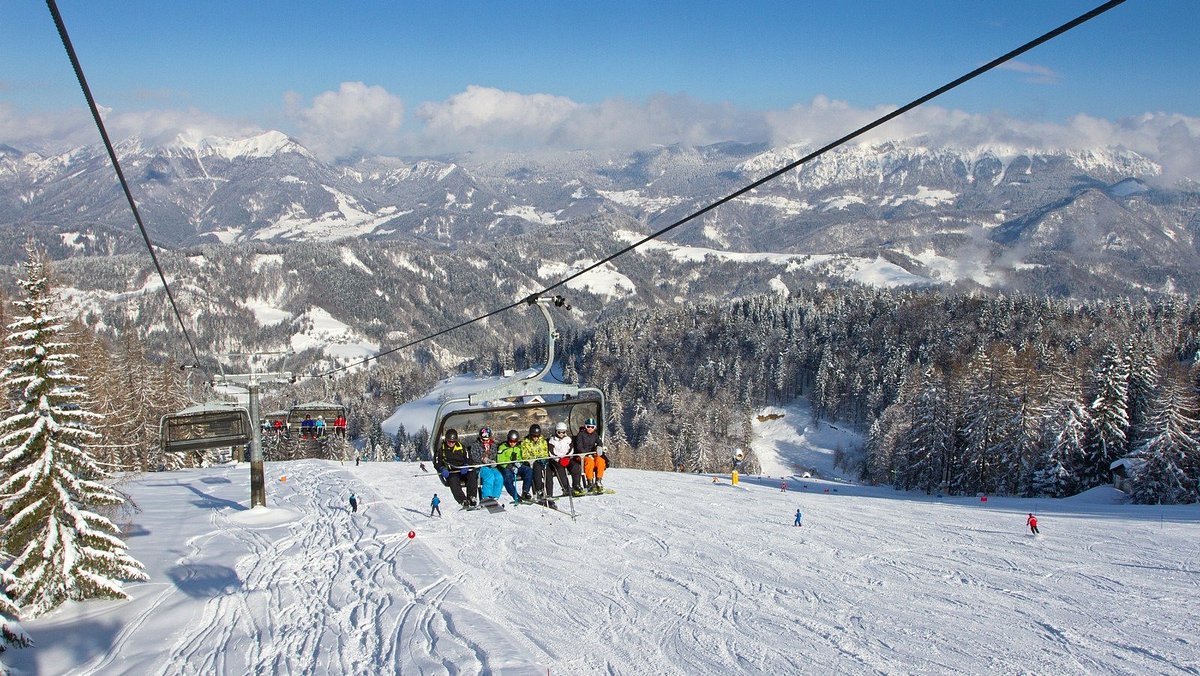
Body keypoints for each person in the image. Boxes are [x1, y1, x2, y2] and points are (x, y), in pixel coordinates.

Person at [434, 429, 478, 509]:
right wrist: (442, 468)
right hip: (452, 471)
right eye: (449, 441)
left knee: (472, 473)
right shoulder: (442, 450)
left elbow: (469, 458)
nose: (451, 443)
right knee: (453, 480)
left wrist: (466, 465)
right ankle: (463, 500)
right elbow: (437, 463)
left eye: (453, 441)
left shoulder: (461, 447)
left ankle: (472, 497)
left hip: (462, 469)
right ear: (446, 440)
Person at [496, 429, 527, 505]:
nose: (512, 443)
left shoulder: (519, 447)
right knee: (508, 478)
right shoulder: (502, 447)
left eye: (514, 442)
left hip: (516, 466)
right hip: (506, 467)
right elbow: (500, 460)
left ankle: (525, 492)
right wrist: (509, 466)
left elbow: (521, 457)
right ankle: (515, 495)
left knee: (528, 470)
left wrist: (518, 463)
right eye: (510, 441)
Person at [520, 423, 549, 501]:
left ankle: (549, 493)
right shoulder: (525, 442)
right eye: (534, 436)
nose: (536, 438)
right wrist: (535, 459)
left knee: (548, 471)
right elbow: (524, 455)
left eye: (537, 436)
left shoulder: (542, 441)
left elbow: (545, 452)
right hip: (531, 463)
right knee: (536, 469)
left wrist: (543, 459)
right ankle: (539, 490)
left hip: (541, 461)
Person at [546, 422, 575, 497]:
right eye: (559, 432)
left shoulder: (568, 439)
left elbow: (571, 449)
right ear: (556, 431)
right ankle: (566, 488)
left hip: (566, 458)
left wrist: (567, 457)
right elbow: (551, 452)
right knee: (560, 468)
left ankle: (576, 485)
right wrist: (558, 459)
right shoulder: (552, 440)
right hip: (557, 460)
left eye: (563, 432)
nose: (561, 434)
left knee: (576, 467)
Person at [573, 418, 601, 495]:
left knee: (600, 461)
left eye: (592, 427)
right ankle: (590, 482)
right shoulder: (580, 435)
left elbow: (599, 442)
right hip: (581, 456)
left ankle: (598, 481)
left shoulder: (595, 434)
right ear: (585, 426)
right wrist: (587, 454)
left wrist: (599, 447)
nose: (590, 429)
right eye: (588, 426)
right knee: (590, 461)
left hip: (591, 454)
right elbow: (579, 447)